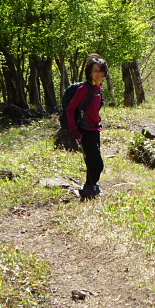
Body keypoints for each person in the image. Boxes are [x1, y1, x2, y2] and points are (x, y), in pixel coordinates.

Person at [66, 53, 108, 199]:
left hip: (95, 129)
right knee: (97, 164)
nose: (99, 74)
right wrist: (75, 131)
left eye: (101, 70)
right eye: (96, 70)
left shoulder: (98, 88)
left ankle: (91, 187)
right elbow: (70, 110)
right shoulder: (84, 89)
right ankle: (88, 189)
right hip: (85, 131)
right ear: (90, 72)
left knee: (92, 162)